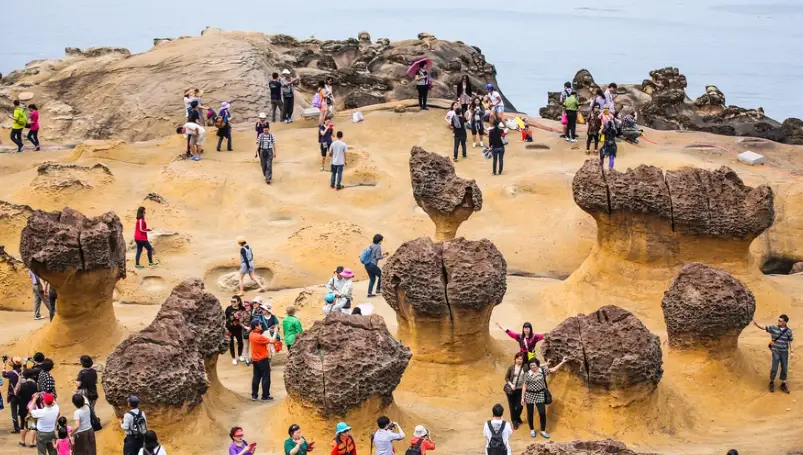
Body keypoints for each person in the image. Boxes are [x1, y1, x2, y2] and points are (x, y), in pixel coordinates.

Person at [521, 357, 569, 439]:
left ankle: (543, 431)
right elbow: (524, 386)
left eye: (534, 365)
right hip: (529, 395)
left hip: (540, 394)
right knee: (530, 413)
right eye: (531, 365)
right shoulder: (527, 374)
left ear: (537, 365)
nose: (533, 367)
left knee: (542, 413)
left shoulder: (542, 371)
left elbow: (553, 369)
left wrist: (562, 362)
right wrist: (522, 398)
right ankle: (532, 430)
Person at [753, 315, 794, 393]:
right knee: (774, 368)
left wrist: (792, 351)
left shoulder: (788, 331)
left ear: (785, 322)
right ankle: (771, 382)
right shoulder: (773, 328)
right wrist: (757, 324)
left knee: (784, 368)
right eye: (778, 320)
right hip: (775, 351)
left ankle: (783, 384)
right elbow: (764, 327)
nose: (778, 322)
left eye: (780, 321)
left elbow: (790, 341)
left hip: (784, 352)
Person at [249, 318, 275, 400]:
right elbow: (272, 341)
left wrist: (268, 330)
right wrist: (275, 332)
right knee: (266, 377)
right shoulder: (259, 337)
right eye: (260, 324)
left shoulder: (251, 334)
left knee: (256, 377)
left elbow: (261, 335)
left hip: (255, 360)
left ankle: (254, 395)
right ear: (256, 326)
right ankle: (265, 396)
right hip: (263, 360)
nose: (261, 325)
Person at [504, 353, 526, 430]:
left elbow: (535, 366)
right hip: (511, 390)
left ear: (523, 360)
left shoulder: (525, 367)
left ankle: (516, 417)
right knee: (512, 407)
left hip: (520, 390)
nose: (519, 360)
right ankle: (514, 422)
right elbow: (506, 378)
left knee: (520, 406)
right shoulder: (511, 367)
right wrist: (511, 385)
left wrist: (546, 364)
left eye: (521, 359)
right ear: (515, 359)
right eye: (518, 358)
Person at [17, 369, 39, 447]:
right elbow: (38, 397)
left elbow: (17, 393)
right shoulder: (35, 385)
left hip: (23, 407)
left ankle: (22, 441)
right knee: (33, 425)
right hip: (32, 407)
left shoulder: (22, 385)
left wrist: (19, 381)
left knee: (23, 424)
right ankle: (31, 442)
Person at [3, 356, 22, 433]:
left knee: (14, 412)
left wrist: (4, 364)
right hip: (21, 395)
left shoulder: (11, 373)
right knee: (22, 411)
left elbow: (4, 374)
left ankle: (16, 428)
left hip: (13, 395)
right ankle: (23, 426)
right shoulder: (23, 371)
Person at [226, 296, 245, 365]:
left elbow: (245, 315)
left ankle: (240, 355)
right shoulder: (228, 308)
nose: (232, 303)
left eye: (234, 301)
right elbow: (225, 318)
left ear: (238, 302)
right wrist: (233, 317)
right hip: (230, 329)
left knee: (240, 343)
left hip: (239, 329)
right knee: (231, 344)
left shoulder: (242, 308)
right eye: (231, 301)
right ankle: (233, 358)